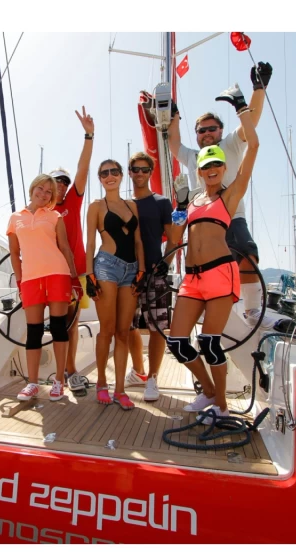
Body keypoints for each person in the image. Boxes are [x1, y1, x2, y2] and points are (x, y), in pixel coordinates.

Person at [167, 86, 259, 420]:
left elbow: (254, 146)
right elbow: (176, 235)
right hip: (192, 279)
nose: (211, 170)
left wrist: (241, 107)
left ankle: (221, 405)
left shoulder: (230, 197)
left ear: (223, 167)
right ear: (199, 171)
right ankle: (208, 391)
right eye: (206, 168)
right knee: (177, 343)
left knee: (209, 343)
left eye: (217, 166)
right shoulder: (192, 201)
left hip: (220, 274)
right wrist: (178, 208)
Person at [168, 62, 272, 328]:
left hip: (231, 215)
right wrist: (174, 116)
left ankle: (251, 309)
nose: (206, 134)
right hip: (200, 219)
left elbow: (254, 120)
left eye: (211, 128)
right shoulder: (192, 156)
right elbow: (174, 144)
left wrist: (258, 89)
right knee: (201, 266)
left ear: (220, 131)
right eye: (201, 130)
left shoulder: (232, 143)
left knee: (247, 253)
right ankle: (199, 310)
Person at [7, 174, 82, 402]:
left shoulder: (54, 216)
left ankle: (59, 380)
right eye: (41, 188)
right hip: (30, 279)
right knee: (34, 331)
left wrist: (74, 278)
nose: (44, 194)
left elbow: (65, 248)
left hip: (57, 274)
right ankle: (32, 383)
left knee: (59, 327)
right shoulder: (15, 218)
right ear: (32, 188)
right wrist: (21, 282)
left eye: (49, 192)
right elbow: (14, 253)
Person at [85, 160, 146, 410]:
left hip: (131, 270)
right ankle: (101, 383)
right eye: (104, 173)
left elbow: (139, 240)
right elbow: (90, 242)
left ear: (121, 176)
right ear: (100, 178)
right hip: (106, 266)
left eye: (114, 172)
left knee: (123, 331)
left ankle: (120, 389)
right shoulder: (96, 206)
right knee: (106, 330)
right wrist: (89, 275)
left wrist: (142, 270)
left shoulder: (132, 205)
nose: (109, 176)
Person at [123, 151, 176, 402]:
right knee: (127, 326)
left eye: (145, 169)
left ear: (150, 173)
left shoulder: (162, 202)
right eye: (136, 169)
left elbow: (174, 237)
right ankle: (138, 372)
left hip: (155, 271)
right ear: (130, 172)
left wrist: (167, 262)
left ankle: (153, 379)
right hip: (126, 274)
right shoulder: (122, 204)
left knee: (157, 328)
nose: (140, 173)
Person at [50, 106, 95, 392]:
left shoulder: (72, 203)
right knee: (58, 322)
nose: (63, 185)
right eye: (57, 181)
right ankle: (60, 372)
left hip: (76, 272)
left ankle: (71, 371)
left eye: (65, 182)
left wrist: (88, 135)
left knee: (73, 322)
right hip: (51, 274)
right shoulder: (41, 209)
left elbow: (83, 169)